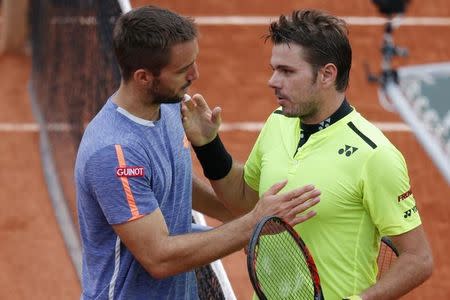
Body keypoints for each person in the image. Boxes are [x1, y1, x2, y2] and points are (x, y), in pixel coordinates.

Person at [181, 9, 433, 300]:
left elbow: (418, 258)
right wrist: (208, 145)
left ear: (326, 74)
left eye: (287, 71)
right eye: (274, 69)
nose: (273, 81)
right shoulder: (278, 121)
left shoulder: (374, 155)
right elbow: (244, 204)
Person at [74, 5, 321, 299]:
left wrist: (236, 216)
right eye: (182, 69)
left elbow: (172, 181)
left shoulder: (170, 108)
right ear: (143, 78)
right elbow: (159, 257)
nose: (195, 74)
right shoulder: (116, 154)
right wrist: (250, 224)